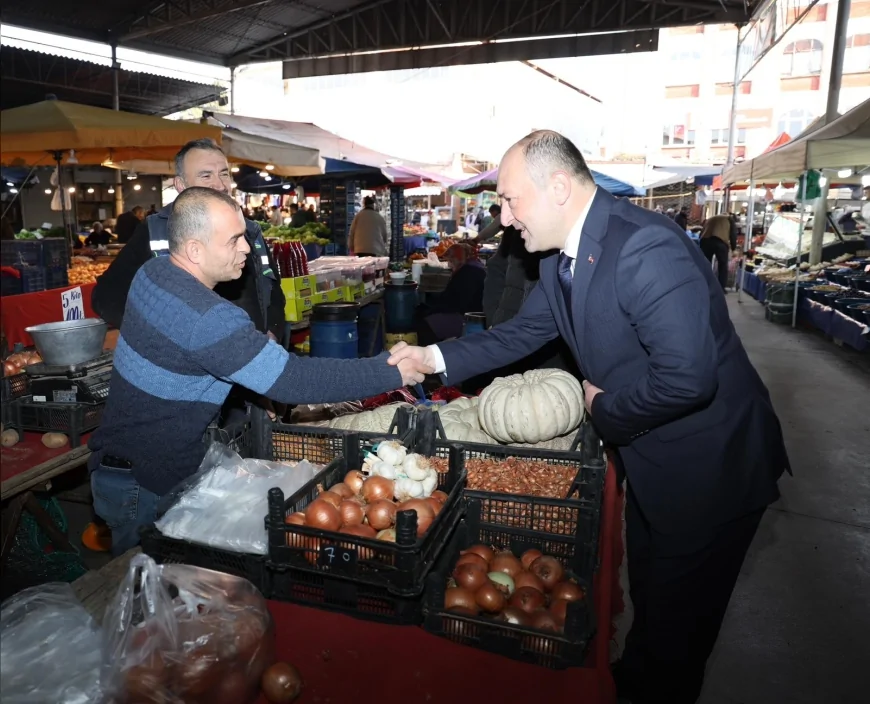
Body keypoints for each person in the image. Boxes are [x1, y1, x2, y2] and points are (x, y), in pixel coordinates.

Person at [389, 130, 789, 704]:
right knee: (652, 601)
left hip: (708, 470)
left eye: (509, 200)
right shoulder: (560, 261)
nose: (503, 218)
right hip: (652, 463)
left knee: (678, 635)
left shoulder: (646, 247)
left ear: (557, 187)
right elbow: (525, 333)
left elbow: (687, 378)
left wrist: (605, 411)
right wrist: (432, 359)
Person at [88, 188, 428, 556]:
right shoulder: (209, 317)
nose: (247, 249)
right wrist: (390, 372)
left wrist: (249, 369)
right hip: (144, 485)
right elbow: (292, 380)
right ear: (194, 250)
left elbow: (183, 356)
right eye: (234, 239)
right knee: (150, 597)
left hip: (117, 466)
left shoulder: (152, 273)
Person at [482, 225, 577, 376]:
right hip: (510, 331)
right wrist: (494, 317)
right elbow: (496, 269)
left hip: (554, 345)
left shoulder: (568, 234)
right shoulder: (516, 228)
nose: (506, 217)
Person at [415, 243, 486, 346]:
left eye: (451, 261)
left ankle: (430, 355)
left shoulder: (468, 272)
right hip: (471, 314)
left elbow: (452, 303)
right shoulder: (475, 266)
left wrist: (429, 310)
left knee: (425, 324)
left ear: (458, 259)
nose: (449, 265)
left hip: (467, 318)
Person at [699, 214, 733, 290]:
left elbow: (702, 230)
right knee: (723, 265)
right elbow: (733, 234)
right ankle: (721, 287)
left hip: (705, 240)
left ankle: (704, 284)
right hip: (720, 241)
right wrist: (733, 248)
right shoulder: (729, 219)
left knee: (705, 264)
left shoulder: (712, 218)